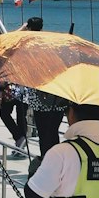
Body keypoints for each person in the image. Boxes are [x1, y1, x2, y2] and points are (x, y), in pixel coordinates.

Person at [19, 18, 67, 159]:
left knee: (43, 133)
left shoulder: (29, 45)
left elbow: (10, 42)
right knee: (53, 132)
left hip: (39, 98)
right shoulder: (50, 43)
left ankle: (46, 160)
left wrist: (22, 30)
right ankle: (55, 160)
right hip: (57, 97)